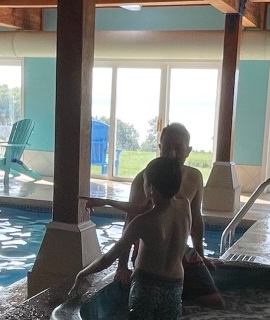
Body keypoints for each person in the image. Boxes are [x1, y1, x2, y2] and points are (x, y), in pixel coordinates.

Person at [82, 122, 224, 308]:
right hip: (150, 253)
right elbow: (131, 220)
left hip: (180, 251)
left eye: (178, 148)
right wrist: (122, 266)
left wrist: (201, 255)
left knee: (215, 303)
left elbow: (196, 218)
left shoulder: (194, 177)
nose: (172, 153)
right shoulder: (146, 179)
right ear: (159, 147)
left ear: (188, 151)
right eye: (167, 147)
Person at [70, 157, 190, 320]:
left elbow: (107, 259)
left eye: (145, 181)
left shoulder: (143, 222)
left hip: (147, 286)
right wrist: (108, 201)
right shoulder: (184, 205)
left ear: (151, 188)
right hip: (175, 285)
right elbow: (142, 207)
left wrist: (82, 274)